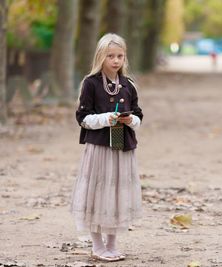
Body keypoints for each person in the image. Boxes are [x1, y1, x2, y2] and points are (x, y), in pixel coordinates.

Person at [70, 33, 143, 262]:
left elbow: (138, 115)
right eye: (110, 56)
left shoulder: (128, 85)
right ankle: (97, 245)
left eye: (120, 56)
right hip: (99, 146)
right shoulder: (90, 84)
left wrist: (130, 120)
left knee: (116, 193)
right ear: (101, 56)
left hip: (121, 145)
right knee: (99, 193)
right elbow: (82, 117)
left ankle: (112, 244)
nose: (115, 60)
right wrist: (106, 119)